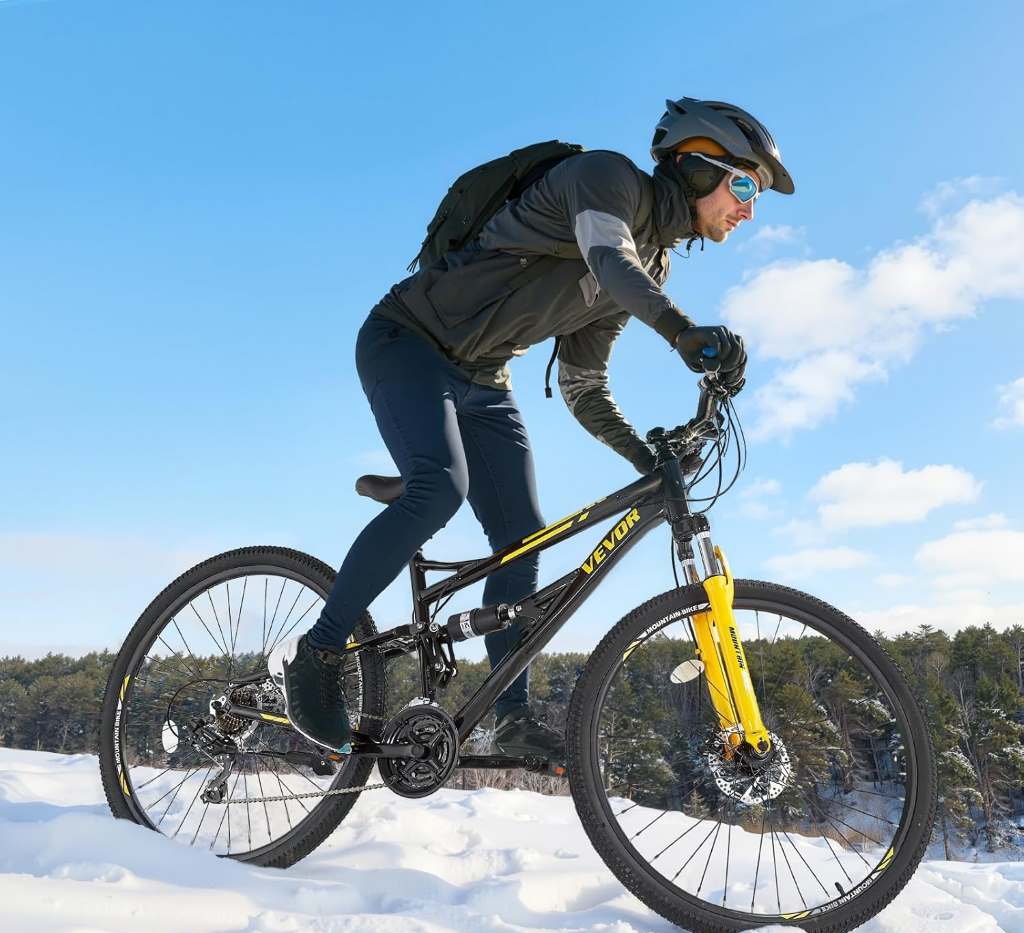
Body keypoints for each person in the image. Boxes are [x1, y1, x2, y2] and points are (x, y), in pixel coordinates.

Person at [269, 97, 795, 760]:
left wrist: (645, 456)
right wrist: (682, 332)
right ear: (695, 165)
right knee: (439, 490)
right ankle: (316, 655)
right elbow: (608, 259)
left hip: (484, 378)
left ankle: (507, 716)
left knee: (522, 536)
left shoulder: (653, 266)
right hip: (407, 340)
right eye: (744, 186)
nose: (749, 209)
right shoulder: (605, 180)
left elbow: (584, 386)